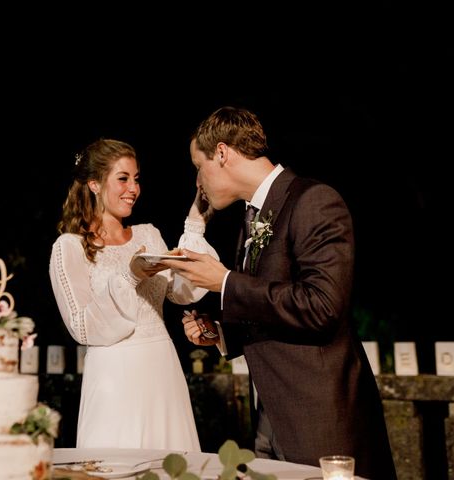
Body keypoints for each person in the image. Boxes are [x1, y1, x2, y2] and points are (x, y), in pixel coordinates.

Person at [161, 106, 397, 479]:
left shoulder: (314, 201)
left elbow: (321, 307)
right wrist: (221, 334)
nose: (198, 182)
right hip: (271, 414)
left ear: (222, 153)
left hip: (318, 415)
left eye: (198, 166)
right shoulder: (252, 216)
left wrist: (224, 282)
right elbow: (273, 304)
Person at [48, 138, 217, 451]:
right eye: (123, 178)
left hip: (161, 366)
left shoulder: (148, 234)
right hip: (114, 376)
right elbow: (82, 327)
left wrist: (195, 225)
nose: (133, 188)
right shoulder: (69, 247)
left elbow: (180, 292)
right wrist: (129, 275)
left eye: (136, 179)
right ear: (95, 184)